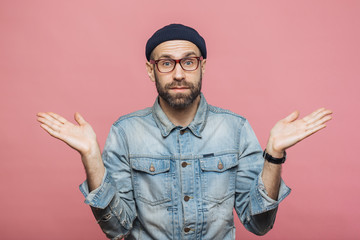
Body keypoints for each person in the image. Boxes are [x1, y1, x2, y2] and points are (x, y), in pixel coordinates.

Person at [37, 24, 332, 240]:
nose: (179, 73)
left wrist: (275, 156)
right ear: (151, 70)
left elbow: (259, 224)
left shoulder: (236, 128)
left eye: (188, 62)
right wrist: (91, 157)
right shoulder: (125, 132)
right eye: (166, 63)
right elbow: (117, 227)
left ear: (202, 66)